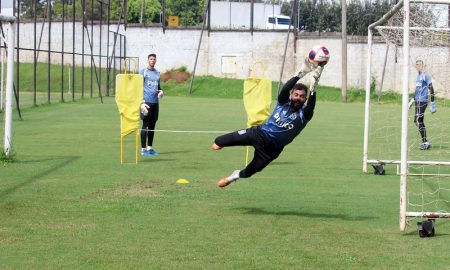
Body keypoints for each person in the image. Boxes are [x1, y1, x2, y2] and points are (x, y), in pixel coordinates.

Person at [211, 61, 326, 188]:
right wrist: (301, 73)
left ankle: (234, 176)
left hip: (271, 150)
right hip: (258, 134)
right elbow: (285, 89)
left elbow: (311, 106)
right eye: (296, 95)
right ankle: (223, 144)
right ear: (291, 95)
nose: (298, 98)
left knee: (249, 172)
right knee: (218, 142)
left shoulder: (304, 115)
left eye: (302, 96)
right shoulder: (283, 103)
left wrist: (314, 86)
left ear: (305, 99)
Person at [140, 53, 163, 156]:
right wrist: (141, 102)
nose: (152, 61)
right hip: (146, 103)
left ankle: (150, 148)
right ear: (148, 60)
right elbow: (138, 87)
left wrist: (161, 92)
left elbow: (158, 87)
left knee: (153, 126)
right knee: (145, 125)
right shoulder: (143, 72)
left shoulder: (157, 73)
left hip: (155, 103)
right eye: (151, 59)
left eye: (154, 59)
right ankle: (143, 149)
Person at [410, 60, 436, 150]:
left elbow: (431, 88)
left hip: (423, 101)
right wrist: (412, 100)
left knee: (418, 120)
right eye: (416, 65)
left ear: (423, 65)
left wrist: (432, 102)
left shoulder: (426, 75)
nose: (418, 66)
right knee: (417, 120)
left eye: (419, 65)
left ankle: (425, 143)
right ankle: (425, 142)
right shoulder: (418, 75)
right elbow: (417, 90)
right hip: (417, 101)